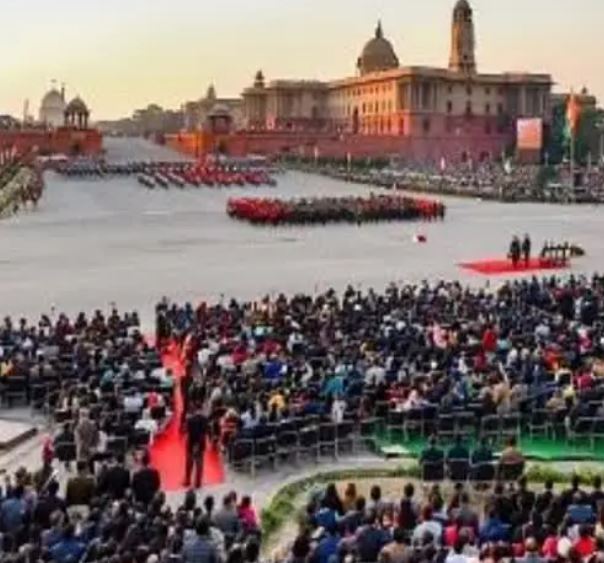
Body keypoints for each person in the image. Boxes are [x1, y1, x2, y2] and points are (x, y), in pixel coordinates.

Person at [184, 401, 208, 489]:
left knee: (189, 463)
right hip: (201, 443)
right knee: (199, 464)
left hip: (191, 443)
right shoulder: (205, 419)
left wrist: (194, 444)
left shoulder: (190, 419)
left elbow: (188, 432)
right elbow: (205, 432)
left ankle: (187, 481)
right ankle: (198, 482)